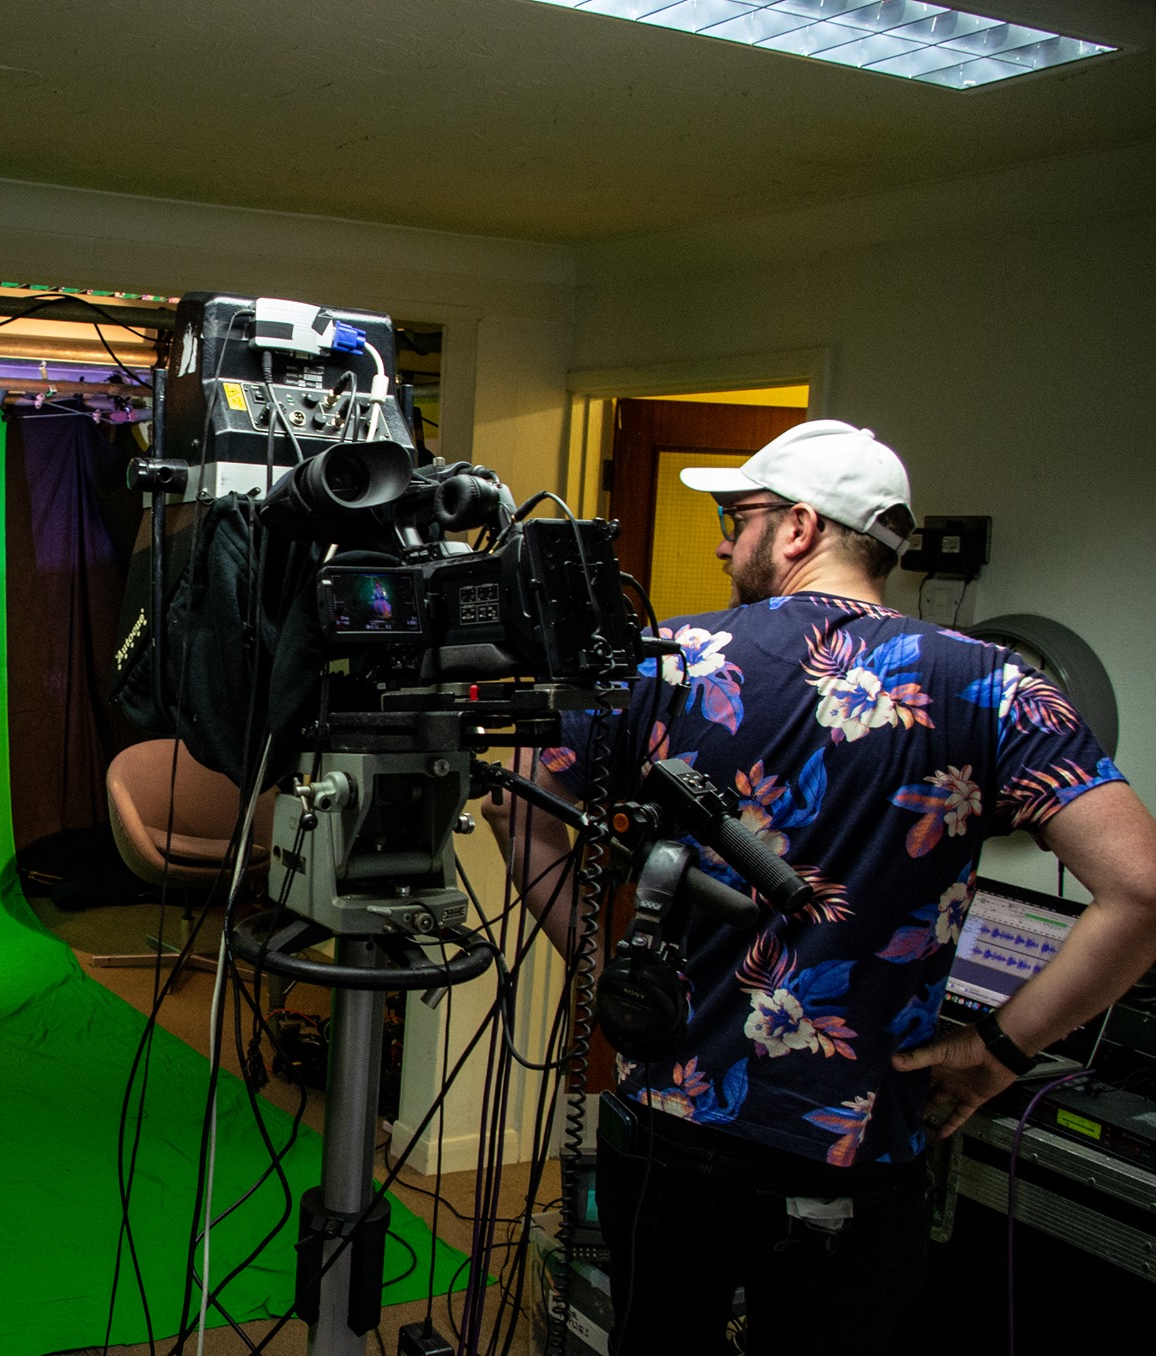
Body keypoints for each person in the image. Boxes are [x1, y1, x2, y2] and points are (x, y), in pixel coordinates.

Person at [482, 421, 1156, 1354]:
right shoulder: (997, 685)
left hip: (674, 1121)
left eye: (737, 519)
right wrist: (998, 1051)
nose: (724, 544)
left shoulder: (666, 660)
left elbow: (514, 809)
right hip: (860, 1142)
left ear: (799, 527)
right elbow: (1141, 894)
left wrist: (603, 966)